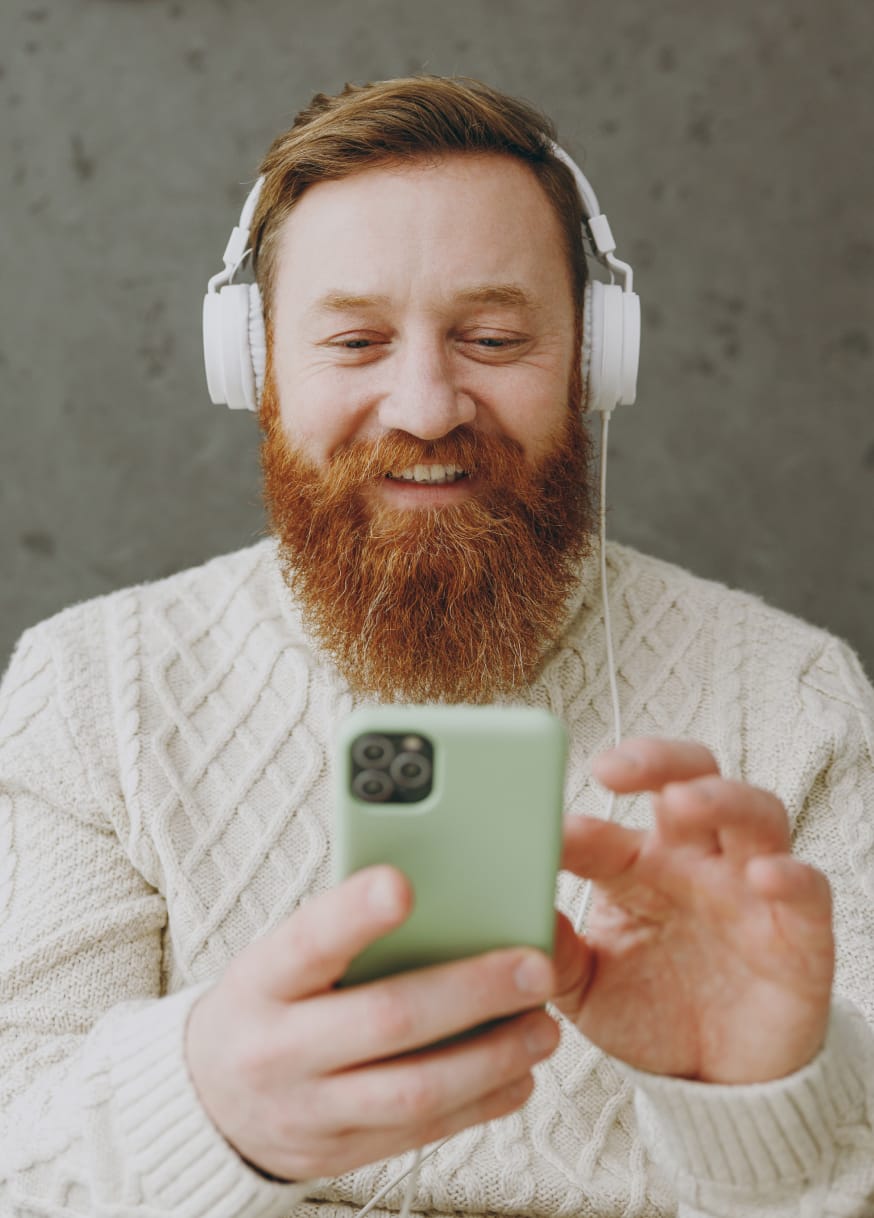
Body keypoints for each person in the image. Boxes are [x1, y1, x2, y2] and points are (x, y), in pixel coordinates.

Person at [0, 74, 872, 1218]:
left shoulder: (790, 697)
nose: (425, 405)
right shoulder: (89, 690)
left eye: (494, 336)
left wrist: (754, 1102)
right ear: (252, 368)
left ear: (593, 362)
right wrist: (205, 1102)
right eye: (356, 339)